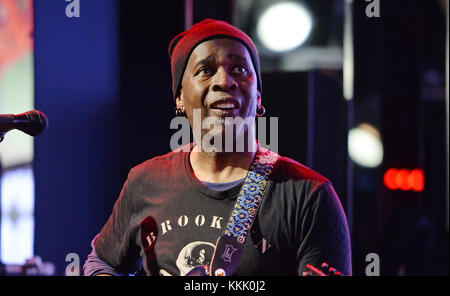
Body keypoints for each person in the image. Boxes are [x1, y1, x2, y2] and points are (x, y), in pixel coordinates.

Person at [83, 19, 352, 276]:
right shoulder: (145, 181)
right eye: (206, 70)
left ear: (258, 96)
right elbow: (103, 263)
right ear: (179, 97)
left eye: (239, 69)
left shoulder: (308, 197)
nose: (224, 81)